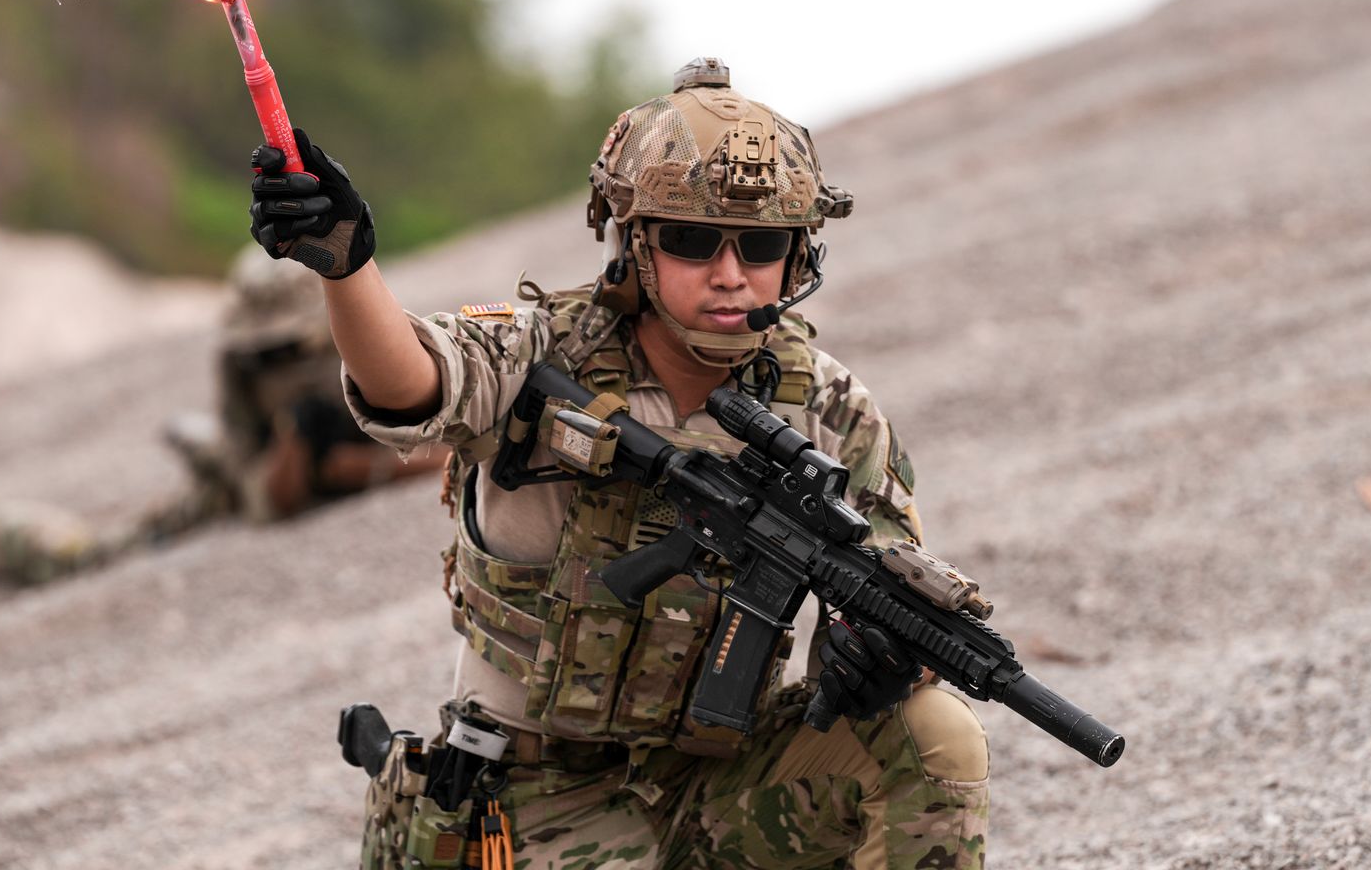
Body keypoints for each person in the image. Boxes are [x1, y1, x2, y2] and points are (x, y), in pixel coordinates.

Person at [251, 57, 991, 869]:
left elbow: (891, 575)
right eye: (690, 239)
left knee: (934, 738)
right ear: (634, 243)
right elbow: (409, 381)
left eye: (763, 244)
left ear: (800, 252)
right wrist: (348, 267)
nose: (729, 272)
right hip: (532, 799)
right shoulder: (542, 349)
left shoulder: (826, 406)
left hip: (719, 786)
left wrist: (882, 653)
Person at [0, 247, 445, 586]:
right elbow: (268, 498)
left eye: (288, 352)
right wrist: (301, 447)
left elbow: (449, 440)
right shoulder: (246, 378)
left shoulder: (381, 355)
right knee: (80, 559)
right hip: (234, 478)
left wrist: (356, 468)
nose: (273, 369)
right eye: (262, 356)